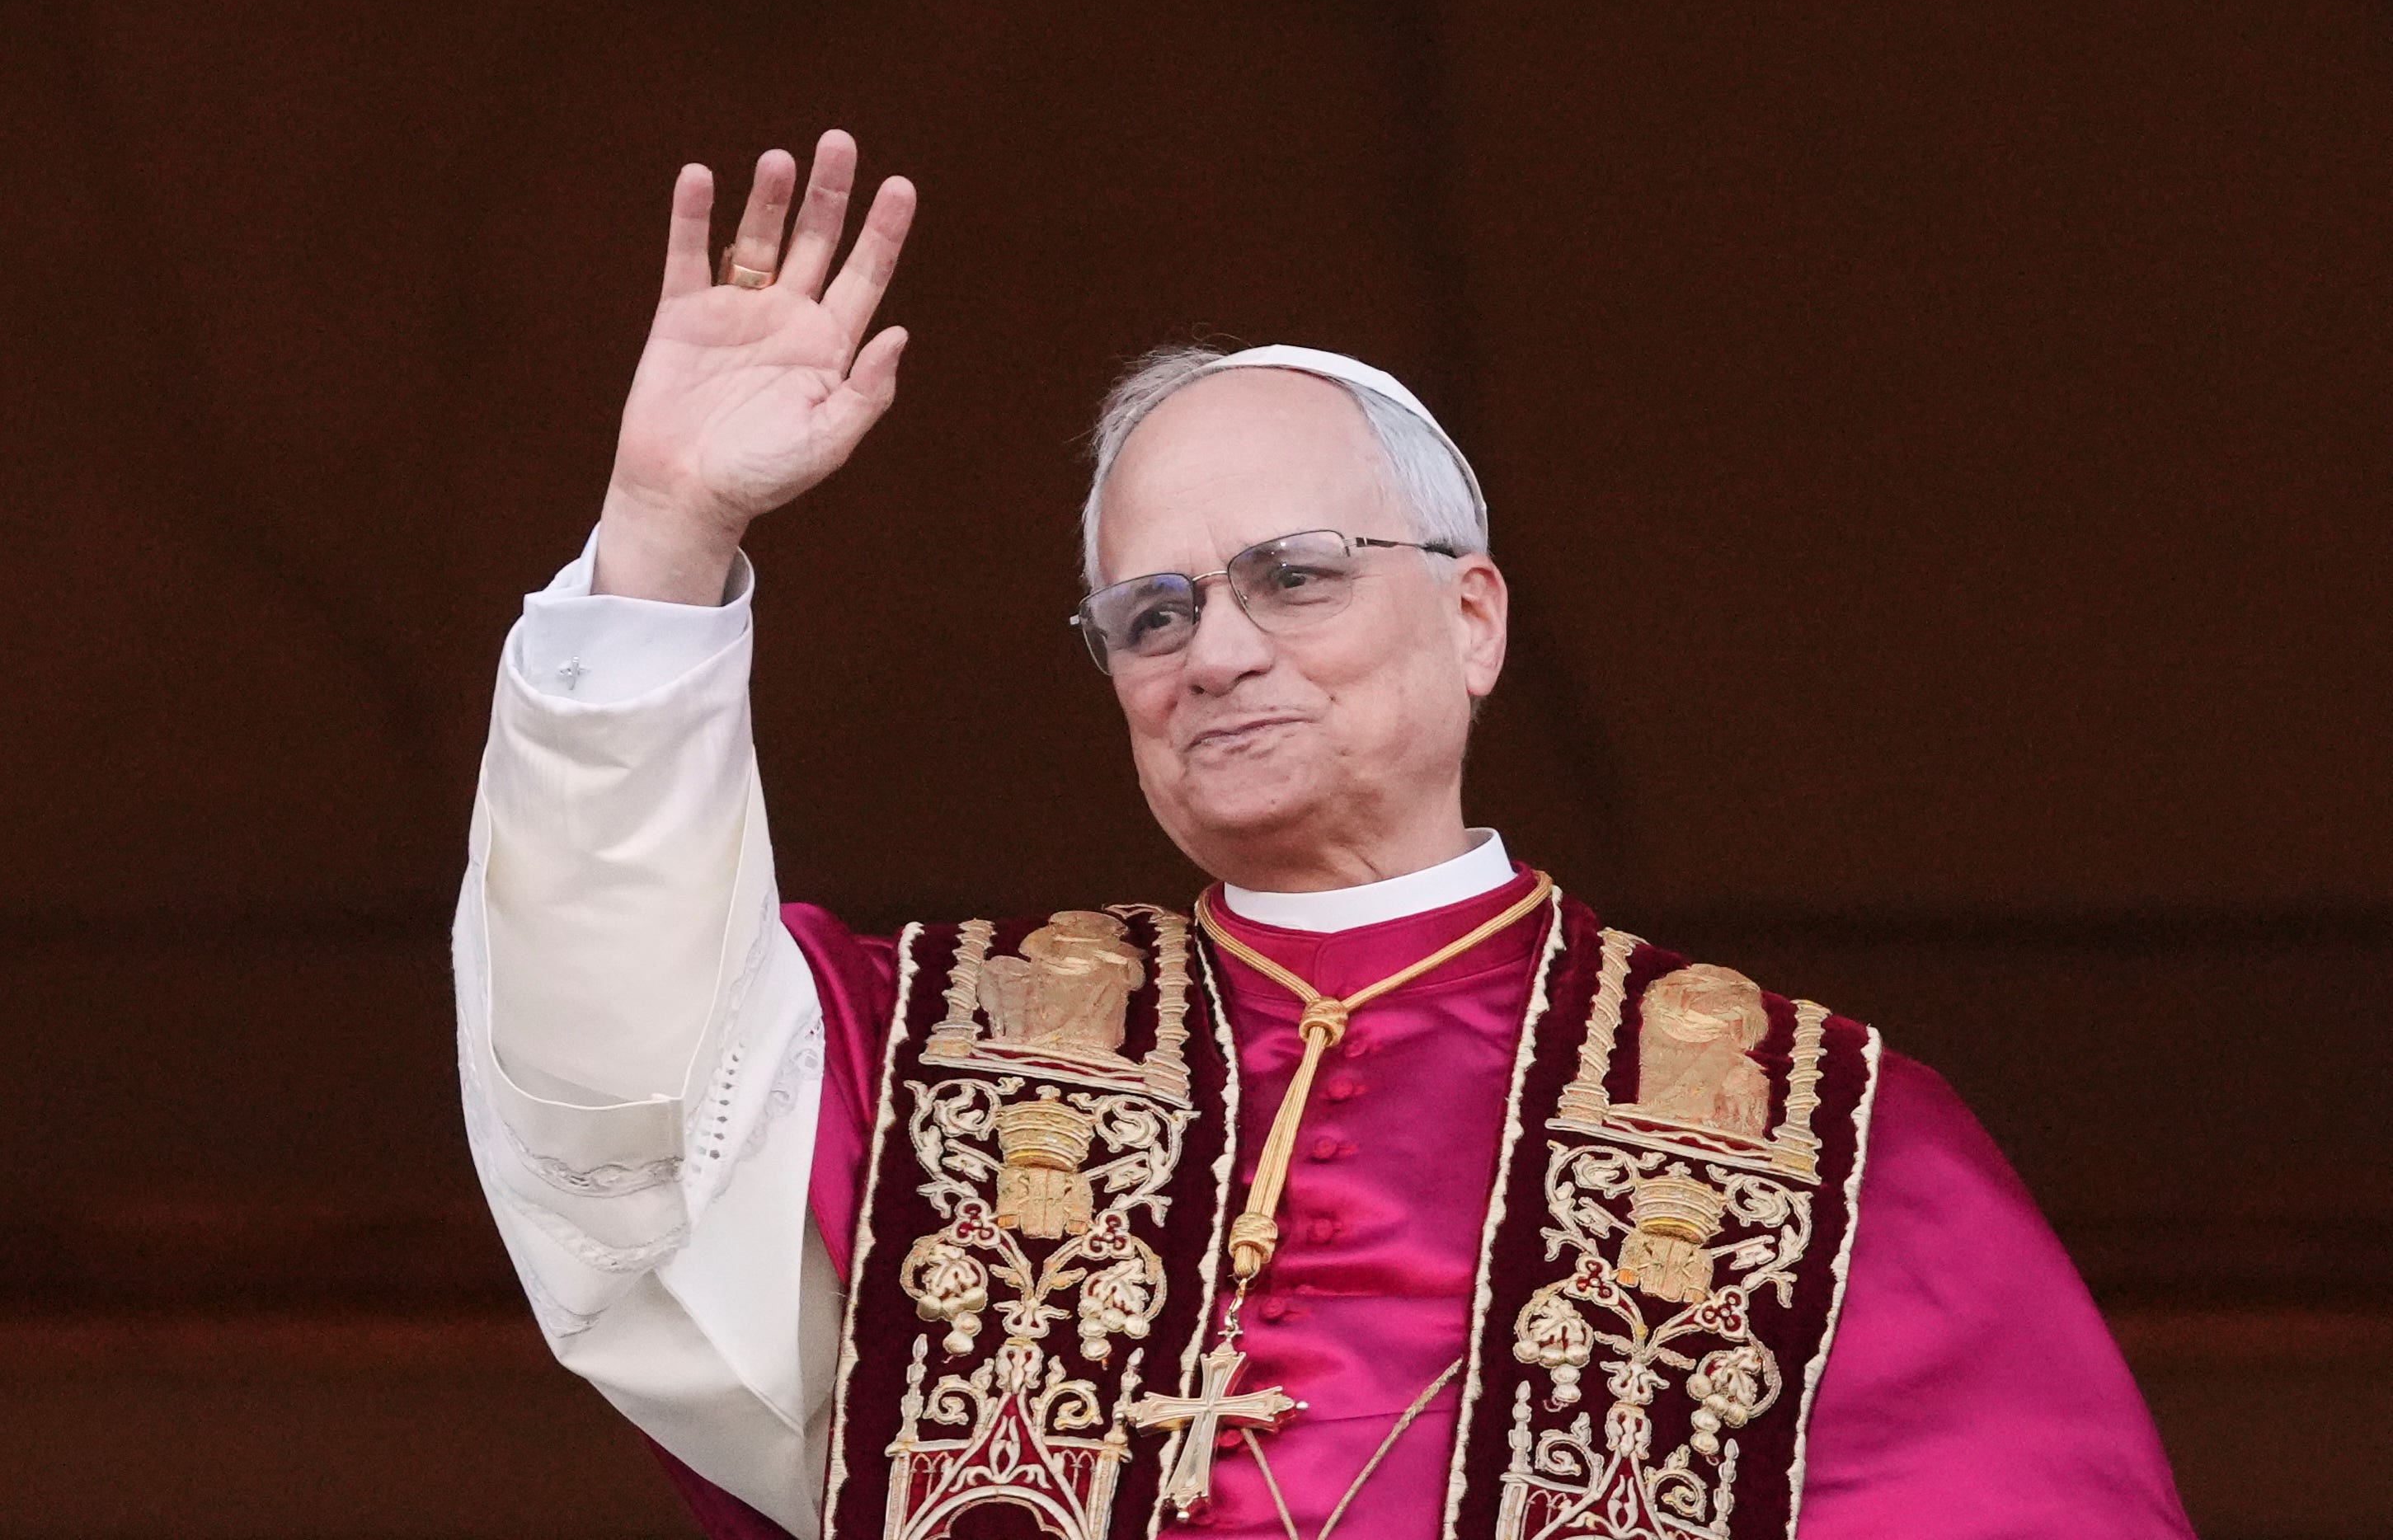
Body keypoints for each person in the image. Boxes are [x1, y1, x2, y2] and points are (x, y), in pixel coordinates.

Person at [455, 132, 2194, 1540]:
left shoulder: (1808, 1133)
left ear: (1473, 615)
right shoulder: (936, 1059)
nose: (1212, 647)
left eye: (1291, 573)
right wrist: (665, 529)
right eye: (1147, 611)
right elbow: (614, 1098)